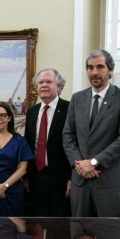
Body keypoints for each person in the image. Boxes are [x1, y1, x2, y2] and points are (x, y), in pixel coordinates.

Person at [63, 49, 120, 217]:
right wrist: (80, 166)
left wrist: (94, 162)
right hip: (80, 179)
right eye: (90, 68)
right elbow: (68, 136)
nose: (94, 72)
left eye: (100, 67)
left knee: (109, 236)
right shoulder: (77, 98)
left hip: (109, 180)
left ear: (110, 70)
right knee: (79, 234)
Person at [24, 68, 72, 217]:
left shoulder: (70, 109)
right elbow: (28, 145)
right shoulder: (32, 112)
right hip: (36, 178)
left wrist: (72, 178)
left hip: (61, 179)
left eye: (49, 82)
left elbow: (76, 145)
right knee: (39, 223)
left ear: (59, 86)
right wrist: (26, 177)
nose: (44, 85)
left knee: (59, 227)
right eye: (40, 82)